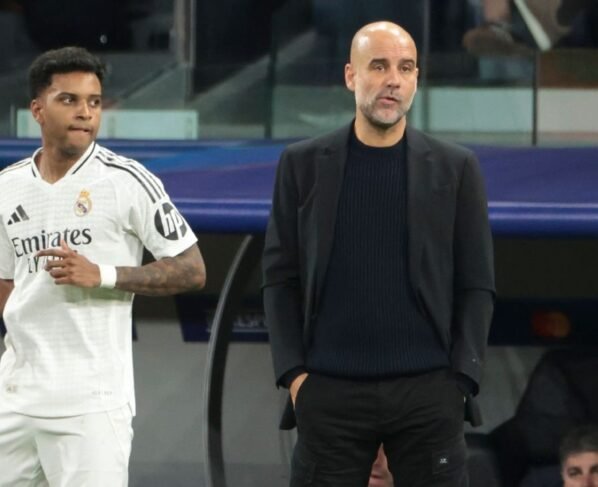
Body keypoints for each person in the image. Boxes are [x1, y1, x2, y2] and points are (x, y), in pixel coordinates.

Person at [262, 20, 495, 487]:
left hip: (429, 395)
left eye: (405, 68)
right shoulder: (302, 164)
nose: (393, 80)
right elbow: (280, 278)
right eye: (379, 66)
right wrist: (295, 377)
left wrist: (460, 381)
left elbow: (477, 284)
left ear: (416, 79)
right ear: (351, 76)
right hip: (328, 394)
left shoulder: (456, 168)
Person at [0, 46, 206, 486]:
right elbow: (6, 282)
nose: (85, 112)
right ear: (37, 110)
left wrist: (104, 275)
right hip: (13, 401)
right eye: (69, 100)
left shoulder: (126, 181)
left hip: (91, 405)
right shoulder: (7, 186)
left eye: (94, 102)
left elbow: (192, 269)